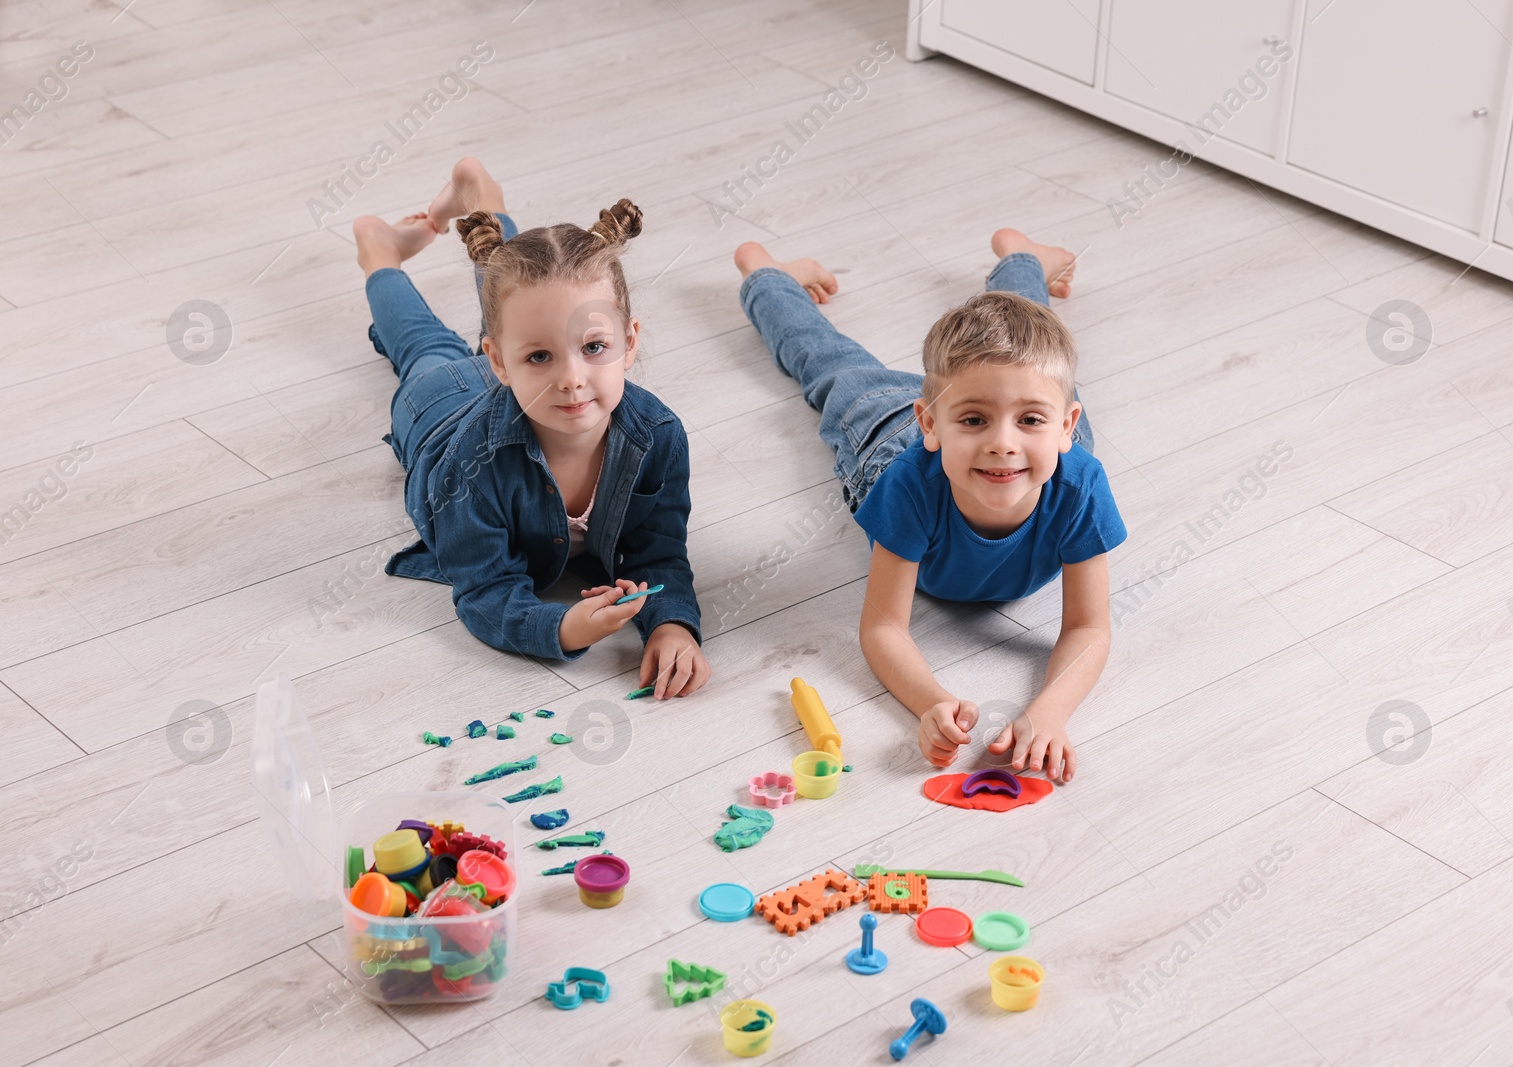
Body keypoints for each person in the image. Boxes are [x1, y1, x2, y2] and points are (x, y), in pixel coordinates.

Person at [734, 228, 1124, 777]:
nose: (1002, 442)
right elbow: (883, 628)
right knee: (827, 362)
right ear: (931, 423)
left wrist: (1050, 713)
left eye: (1031, 420)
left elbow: (1088, 628)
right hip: (886, 432)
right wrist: (928, 703)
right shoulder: (908, 484)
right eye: (974, 419)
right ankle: (765, 274)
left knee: (1029, 339)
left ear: (1065, 428)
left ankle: (1023, 261)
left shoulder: (1080, 485)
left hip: (1016, 442)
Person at [350, 157, 710, 698]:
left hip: (512, 390)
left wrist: (671, 623)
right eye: (541, 357)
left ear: (629, 341)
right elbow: (485, 589)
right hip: (441, 408)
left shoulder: (658, 434)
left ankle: (477, 192)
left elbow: (658, 549)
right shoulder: (468, 469)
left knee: (527, 284)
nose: (572, 379)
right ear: (498, 362)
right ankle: (379, 247)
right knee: (425, 345)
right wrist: (562, 628)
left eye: (594, 348)